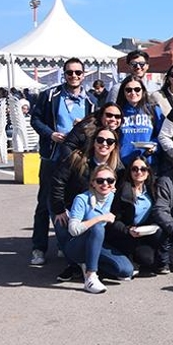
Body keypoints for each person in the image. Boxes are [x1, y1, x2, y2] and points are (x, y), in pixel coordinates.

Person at [29, 58, 95, 266]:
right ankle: (39, 248)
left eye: (77, 73)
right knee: (45, 203)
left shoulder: (90, 100)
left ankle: (64, 243)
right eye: (69, 73)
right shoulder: (51, 95)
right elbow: (35, 119)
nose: (74, 76)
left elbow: (96, 127)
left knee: (74, 202)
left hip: (77, 158)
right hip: (53, 156)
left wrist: (84, 126)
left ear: (84, 75)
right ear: (64, 74)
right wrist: (50, 134)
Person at [51, 128, 123, 281]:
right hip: (72, 208)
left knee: (124, 270)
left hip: (96, 224)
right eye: (100, 140)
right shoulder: (78, 159)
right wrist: (59, 209)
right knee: (65, 224)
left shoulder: (118, 168)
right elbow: (57, 182)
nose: (104, 144)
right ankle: (77, 267)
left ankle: (92, 261)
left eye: (110, 141)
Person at [63, 165, 135, 293]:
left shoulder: (115, 198)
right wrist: (100, 218)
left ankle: (90, 264)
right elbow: (73, 230)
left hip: (100, 244)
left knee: (126, 271)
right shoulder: (82, 199)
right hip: (77, 246)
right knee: (97, 228)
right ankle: (90, 277)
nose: (105, 184)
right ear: (93, 183)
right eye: (100, 181)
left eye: (110, 180)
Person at [107, 155, 167, 275]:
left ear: (148, 171)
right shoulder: (122, 190)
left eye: (143, 169)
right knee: (136, 262)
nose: (139, 172)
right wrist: (128, 230)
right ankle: (128, 257)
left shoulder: (152, 189)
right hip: (125, 235)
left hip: (145, 233)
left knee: (149, 259)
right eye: (134, 169)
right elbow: (114, 220)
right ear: (130, 171)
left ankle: (158, 260)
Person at [115, 77, 163, 165]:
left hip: (147, 162)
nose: (133, 93)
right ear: (123, 92)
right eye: (128, 90)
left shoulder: (153, 109)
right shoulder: (117, 111)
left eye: (137, 89)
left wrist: (154, 146)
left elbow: (162, 135)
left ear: (143, 91)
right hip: (123, 163)